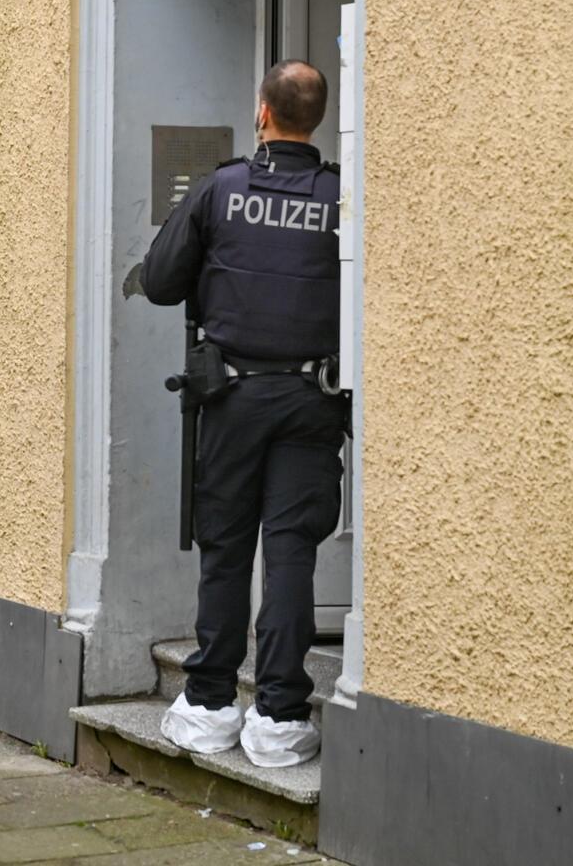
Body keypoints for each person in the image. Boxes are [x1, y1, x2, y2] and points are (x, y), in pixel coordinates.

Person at [139, 60, 348, 769]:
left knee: (226, 550)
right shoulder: (342, 197)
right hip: (313, 400)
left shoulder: (221, 188)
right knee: (291, 552)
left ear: (263, 112)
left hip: (231, 396)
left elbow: (162, 281)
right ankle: (282, 719)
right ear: (314, 118)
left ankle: (209, 705)